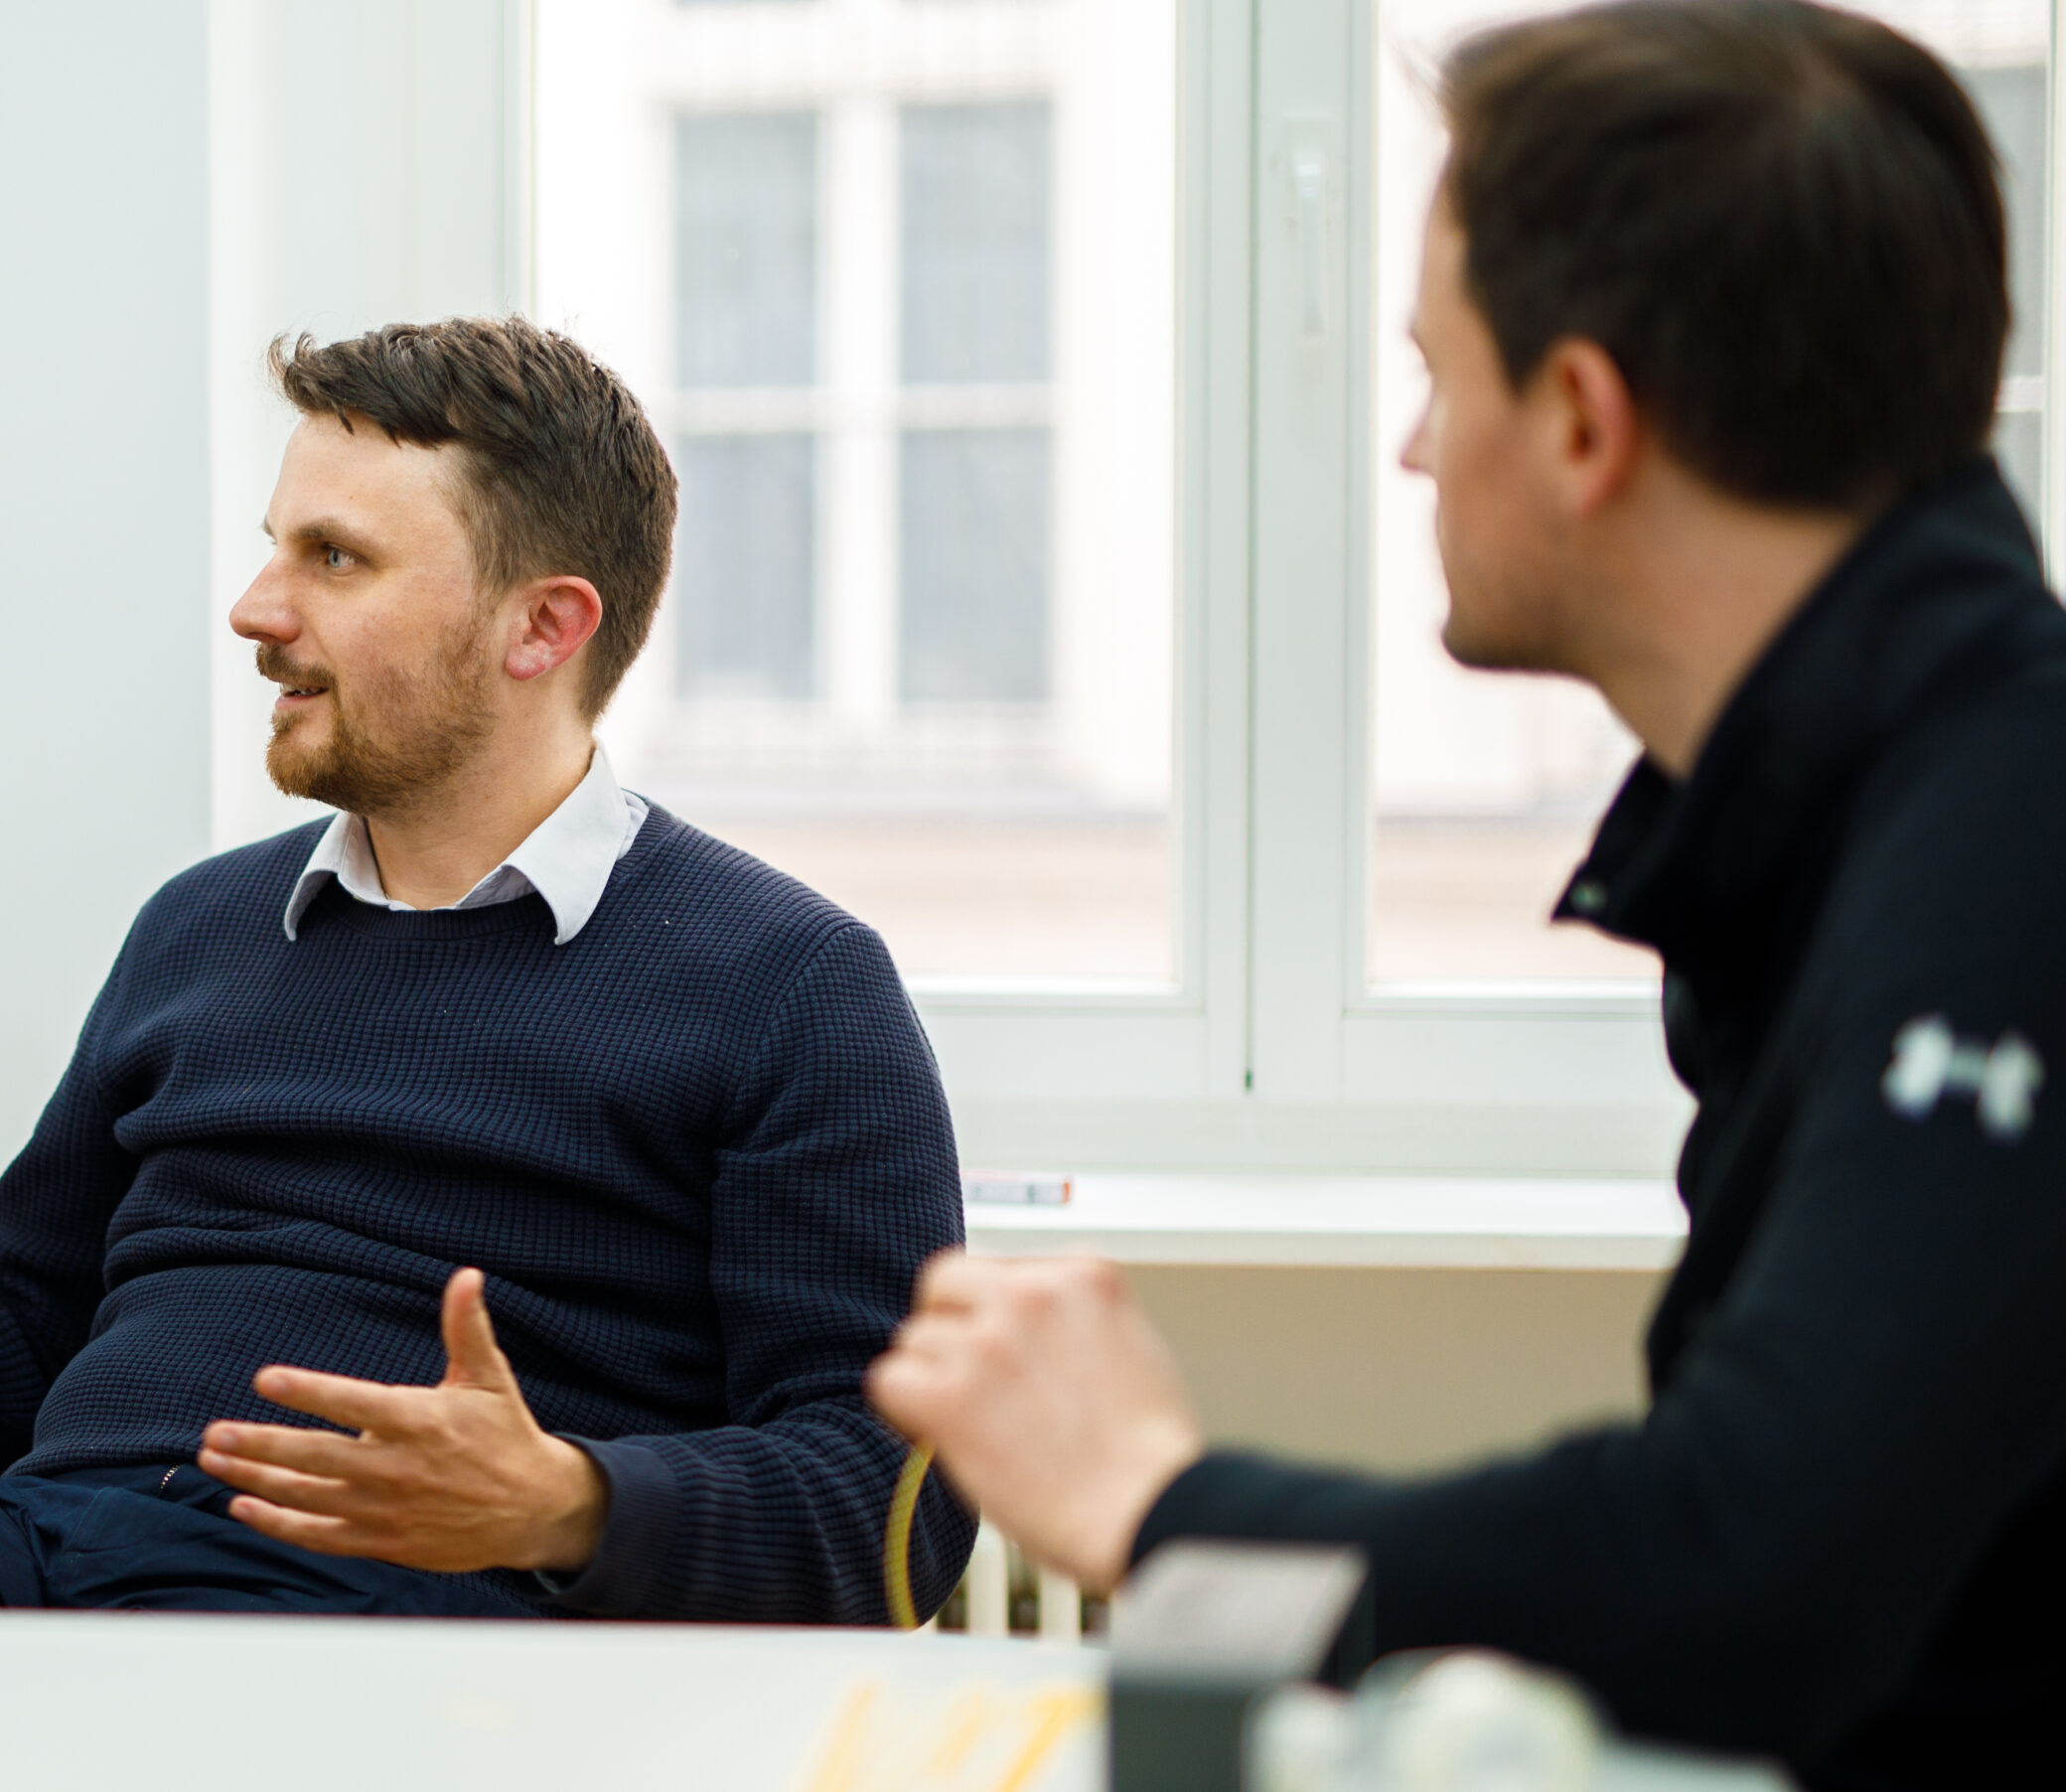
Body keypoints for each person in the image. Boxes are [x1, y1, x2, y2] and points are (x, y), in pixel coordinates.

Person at [869, 3, 2065, 1783]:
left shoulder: (2008, 837)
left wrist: (1156, 1497)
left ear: (1582, 420)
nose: (1415, 451)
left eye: (1437, 372)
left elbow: (1754, 1564)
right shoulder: (1880, 808)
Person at [0, 317, 973, 1625]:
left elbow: (899, 1499)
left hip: (377, 1605)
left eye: (337, 560)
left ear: (542, 628)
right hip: (56, 1545)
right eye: (274, 550)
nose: (257, 609)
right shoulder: (200, 930)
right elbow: (20, 1339)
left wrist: (567, 1500)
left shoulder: (789, 985)